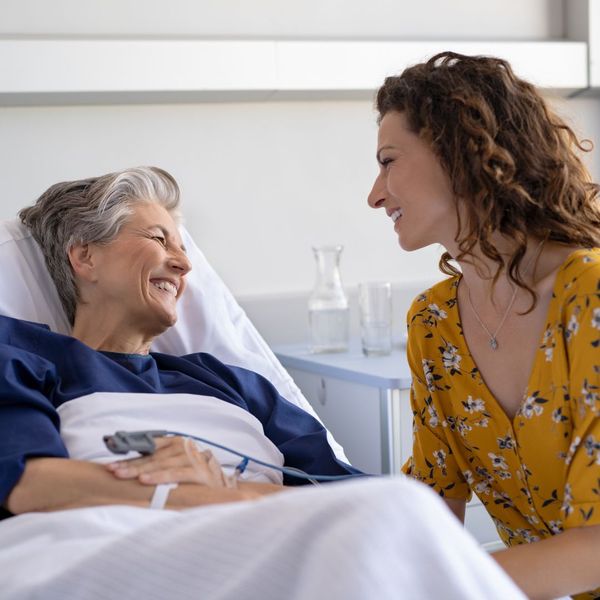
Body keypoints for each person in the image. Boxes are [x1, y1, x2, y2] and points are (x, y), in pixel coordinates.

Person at [0, 166, 526, 600]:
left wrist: (225, 491)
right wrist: (179, 495)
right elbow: (27, 485)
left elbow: (350, 495)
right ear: (84, 256)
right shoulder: (28, 357)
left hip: (262, 542)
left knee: (402, 512)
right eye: (158, 239)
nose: (183, 263)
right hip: (112, 543)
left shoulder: (231, 384)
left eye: (182, 247)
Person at [368, 51, 600, 599]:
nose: (375, 194)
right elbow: (435, 507)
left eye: (388, 160)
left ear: (458, 150)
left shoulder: (589, 293)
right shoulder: (435, 324)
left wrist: (428, 587)